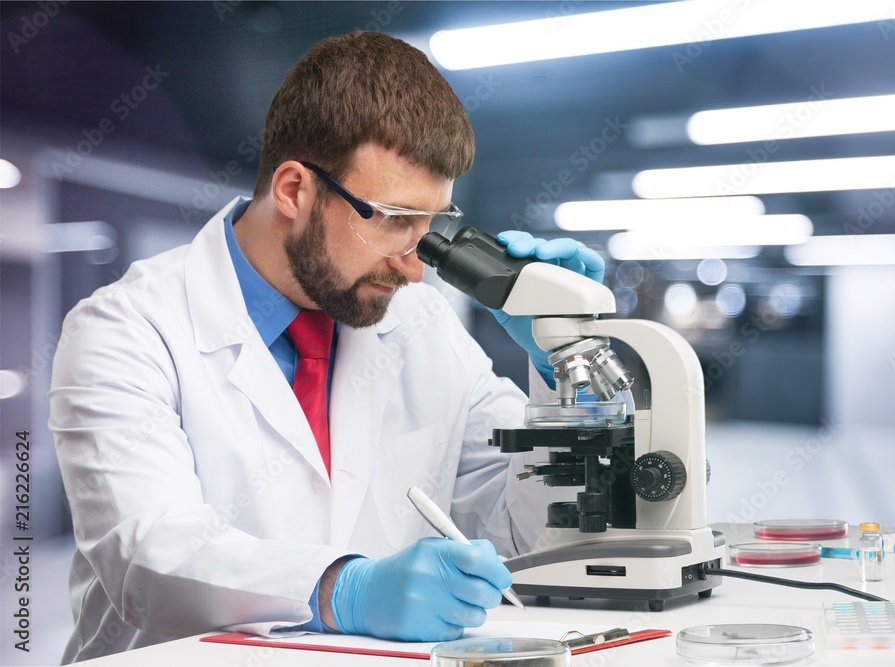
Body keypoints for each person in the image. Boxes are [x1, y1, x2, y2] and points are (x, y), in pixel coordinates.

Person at [49, 31, 605, 662]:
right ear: (293, 190)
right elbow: (145, 557)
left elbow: (525, 534)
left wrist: (566, 368)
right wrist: (342, 588)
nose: (416, 265)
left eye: (431, 225)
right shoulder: (126, 328)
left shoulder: (421, 323)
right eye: (394, 219)